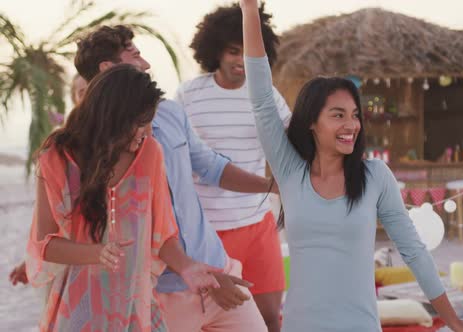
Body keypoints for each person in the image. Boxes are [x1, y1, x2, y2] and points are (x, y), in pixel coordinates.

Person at [239, 1, 463, 331]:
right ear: (311, 123)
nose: (351, 124)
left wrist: (453, 321)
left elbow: (413, 251)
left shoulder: (374, 176)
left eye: (354, 115)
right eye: (337, 115)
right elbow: (261, 98)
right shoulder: (291, 171)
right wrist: (249, 11)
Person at [75, 25, 272, 331]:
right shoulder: (87, 144)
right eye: (136, 55)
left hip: (217, 270)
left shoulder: (170, 112)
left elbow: (210, 166)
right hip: (157, 294)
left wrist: (271, 186)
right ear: (108, 67)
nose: (147, 64)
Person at [26, 64, 221, 331]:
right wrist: (97, 253)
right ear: (113, 117)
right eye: (141, 123)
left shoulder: (150, 153)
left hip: (136, 307)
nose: (148, 131)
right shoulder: (57, 157)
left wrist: (187, 267)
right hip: (80, 309)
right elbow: (44, 245)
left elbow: (162, 235)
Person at [177, 4, 288, 330]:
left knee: (270, 321)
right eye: (231, 51)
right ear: (214, 52)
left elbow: (295, 141)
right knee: (217, 321)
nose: (241, 60)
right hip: (208, 232)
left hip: (258, 226)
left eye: (248, 51)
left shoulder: (267, 94)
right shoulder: (189, 95)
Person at [9, 74, 89, 287]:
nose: (89, 96)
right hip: (65, 265)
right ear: (74, 99)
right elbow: (47, 217)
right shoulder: (63, 149)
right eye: (82, 92)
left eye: (92, 89)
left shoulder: (121, 142)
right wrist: (31, 260)